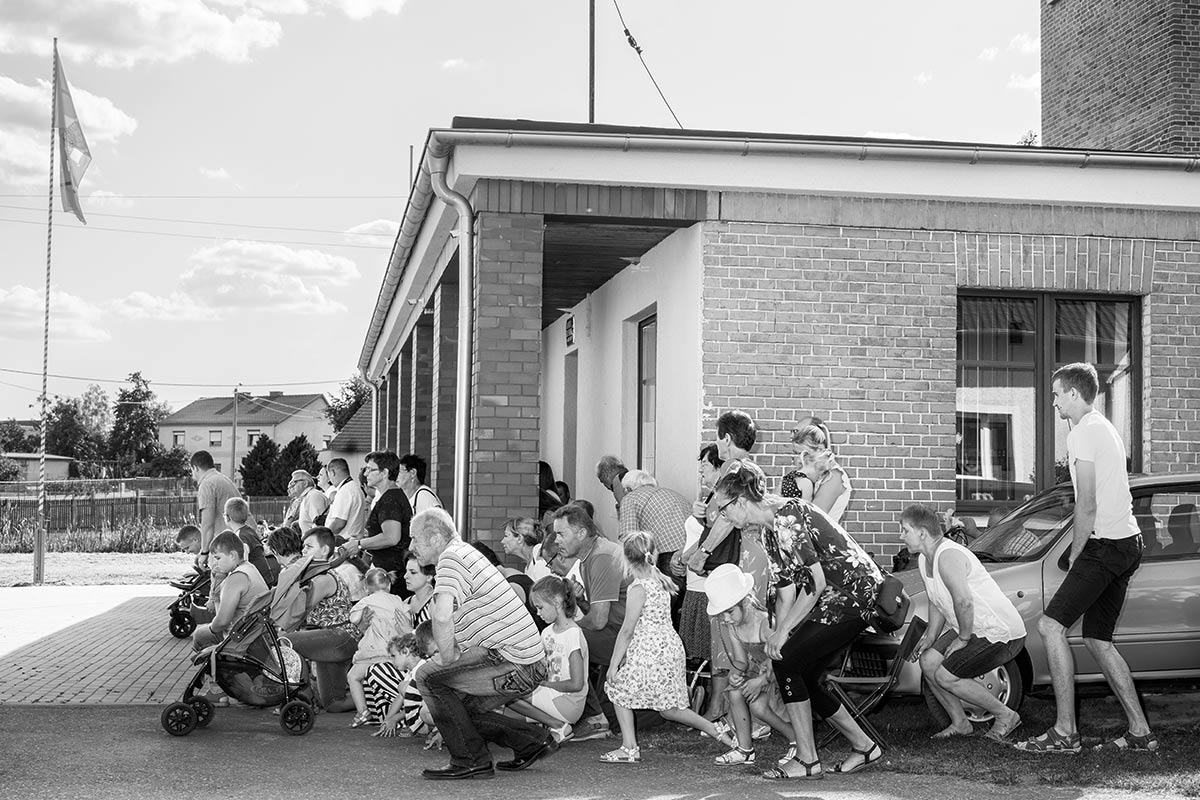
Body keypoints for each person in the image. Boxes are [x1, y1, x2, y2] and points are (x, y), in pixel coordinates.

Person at [1015, 363, 1157, 754]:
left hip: (1106, 546)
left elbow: (1087, 503)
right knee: (1097, 639)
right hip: (1127, 544)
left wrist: (1075, 557)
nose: (1054, 402)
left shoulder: (1081, 433)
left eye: (1057, 394)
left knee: (1050, 627)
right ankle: (1140, 733)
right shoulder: (1104, 428)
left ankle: (1065, 732)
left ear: (1074, 394)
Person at [712, 467, 884, 780]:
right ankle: (864, 746)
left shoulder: (786, 517)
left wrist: (783, 634)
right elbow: (786, 590)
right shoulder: (768, 530)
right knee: (801, 671)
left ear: (740, 502)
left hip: (853, 596)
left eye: (723, 510)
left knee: (788, 662)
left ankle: (807, 760)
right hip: (832, 599)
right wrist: (778, 634)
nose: (722, 517)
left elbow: (815, 582)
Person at [410, 508, 558, 780]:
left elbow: (442, 616)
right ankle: (532, 741)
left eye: (414, 539)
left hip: (513, 661)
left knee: (428, 677)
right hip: (526, 662)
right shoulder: (464, 553)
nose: (411, 547)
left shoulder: (451, 558)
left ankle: (470, 760)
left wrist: (446, 658)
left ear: (434, 538)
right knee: (457, 709)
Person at [601, 531, 736, 763]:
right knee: (670, 708)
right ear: (653, 553)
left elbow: (627, 630)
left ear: (626, 559)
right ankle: (719, 732)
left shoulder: (638, 588)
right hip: (669, 647)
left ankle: (629, 748)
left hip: (649, 650)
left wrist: (614, 664)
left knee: (618, 690)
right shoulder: (662, 581)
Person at [900, 504, 1026, 741]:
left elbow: (964, 602)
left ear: (922, 533)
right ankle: (960, 723)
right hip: (971, 627)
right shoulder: (925, 559)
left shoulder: (948, 556)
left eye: (905, 530)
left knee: (946, 676)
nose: (901, 536)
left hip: (999, 632)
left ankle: (1006, 715)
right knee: (928, 662)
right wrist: (930, 637)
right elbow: (936, 600)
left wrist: (963, 639)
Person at [548, 503, 629, 742]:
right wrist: (582, 602)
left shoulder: (601, 556)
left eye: (561, 534)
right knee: (565, 637)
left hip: (631, 638)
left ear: (582, 533)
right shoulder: (591, 555)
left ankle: (594, 719)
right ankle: (588, 714)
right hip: (620, 631)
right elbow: (598, 615)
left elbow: (599, 620)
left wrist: (565, 629)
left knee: (565, 641)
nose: (556, 540)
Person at [704, 565, 794, 766]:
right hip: (758, 672)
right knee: (734, 691)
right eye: (722, 614)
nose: (726, 619)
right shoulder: (733, 625)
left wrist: (761, 681)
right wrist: (735, 674)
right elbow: (740, 660)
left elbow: (780, 656)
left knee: (758, 706)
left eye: (729, 612)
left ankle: (796, 739)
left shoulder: (765, 623)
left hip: (778, 672)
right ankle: (745, 749)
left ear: (745, 602)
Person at [505, 575, 589, 743]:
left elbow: (576, 684)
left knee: (506, 691)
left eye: (540, 607)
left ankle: (558, 725)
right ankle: (547, 724)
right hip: (550, 697)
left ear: (556, 602)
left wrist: (544, 685)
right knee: (501, 712)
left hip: (567, 703)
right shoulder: (547, 632)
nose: (538, 613)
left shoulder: (572, 634)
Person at [286, 527, 361, 712]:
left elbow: (298, 610)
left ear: (325, 550)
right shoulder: (318, 574)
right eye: (303, 547)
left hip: (338, 638)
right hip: (332, 639)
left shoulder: (324, 577)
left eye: (309, 547)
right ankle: (378, 696)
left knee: (285, 642)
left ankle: (303, 698)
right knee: (334, 704)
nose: (303, 551)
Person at [190, 531, 269, 704]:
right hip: (256, 634)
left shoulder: (236, 578)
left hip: (243, 640)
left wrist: (211, 627)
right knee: (207, 633)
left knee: (201, 636)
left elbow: (222, 621)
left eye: (218, 558)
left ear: (232, 555)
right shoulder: (249, 568)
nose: (214, 563)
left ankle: (218, 690)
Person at [347, 568, 412, 728]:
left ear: (367, 587)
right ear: (389, 584)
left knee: (353, 676)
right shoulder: (397, 599)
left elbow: (354, 618)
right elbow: (407, 617)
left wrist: (362, 616)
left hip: (372, 652)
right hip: (393, 653)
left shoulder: (366, 602)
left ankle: (362, 711)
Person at [345, 450, 413, 596]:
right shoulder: (391, 496)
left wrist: (359, 544)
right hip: (391, 572)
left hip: (393, 575)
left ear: (385, 473)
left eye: (370, 469)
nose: (365, 474)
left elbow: (391, 537)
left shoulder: (390, 500)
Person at [618, 469, 690, 605]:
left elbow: (629, 538)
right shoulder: (672, 494)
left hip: (667, 557)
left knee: (663, 607)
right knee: (684, 607)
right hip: (692, 553)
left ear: (627, 489)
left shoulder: (631, 497)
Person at [783, 423, 853, 524]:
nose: (798, 460)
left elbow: (813, 518)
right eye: (795, 454)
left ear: (819, 449)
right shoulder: (810, 473)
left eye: (803, 454)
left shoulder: (834, 476)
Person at [369, 632, 433, 738]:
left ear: (405, 652)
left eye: (394, 656)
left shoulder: (422, 669)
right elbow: (400, 697)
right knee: (403, 687)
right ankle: (419, 726)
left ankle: (421, 727)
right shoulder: (411, 671)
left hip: (431, 710)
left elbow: (416, 700)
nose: (392, 661)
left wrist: (395, 719)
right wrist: (387, 721)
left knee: (405, 687)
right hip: (426, 709)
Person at [190, 450, 240, 567]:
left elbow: (207, 523)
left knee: (217, 574)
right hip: (243, 538)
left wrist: (204, 552)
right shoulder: (223, 479)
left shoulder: (207, 484)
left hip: (232, 543)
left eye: (191, 470)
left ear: (196, 468)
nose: (192, 475)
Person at [222, 497, 273, 586]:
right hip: (266, 577)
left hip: (256, 581)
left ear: (228, 517)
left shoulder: (240, 536)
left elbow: (243, 559)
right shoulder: (250, 530)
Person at [500, 517, 552, 582]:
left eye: (506, 536)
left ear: (519, 538)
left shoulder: (541, 558)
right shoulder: (528, 567)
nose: (502, 541)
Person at [325, 458, 366, 539]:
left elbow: (339, 523)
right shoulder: (354, 487)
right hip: (353, 539)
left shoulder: (345, 491)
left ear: (332, 473)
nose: (329, 479)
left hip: (343, 541)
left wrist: (323, 537)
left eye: (328, 475)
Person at [401, 550, 437, 628]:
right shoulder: (406, 602)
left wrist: (409, 632)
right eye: (406, 571)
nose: (405, 576)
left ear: (429, 577)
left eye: (413, 572)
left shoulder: (436, 604)